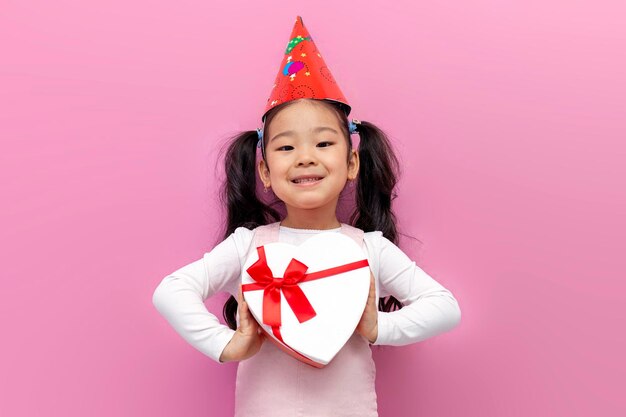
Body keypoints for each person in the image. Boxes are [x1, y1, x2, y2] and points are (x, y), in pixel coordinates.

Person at [152, 16, 461, 417]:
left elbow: (445, 307)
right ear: (264, 171)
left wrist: (378, 327)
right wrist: (228, 345)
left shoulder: (369, 249)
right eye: (285, 148)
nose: (305, 157)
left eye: (323, 142)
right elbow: (171, 291)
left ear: (352, 162)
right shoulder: (249, 246)